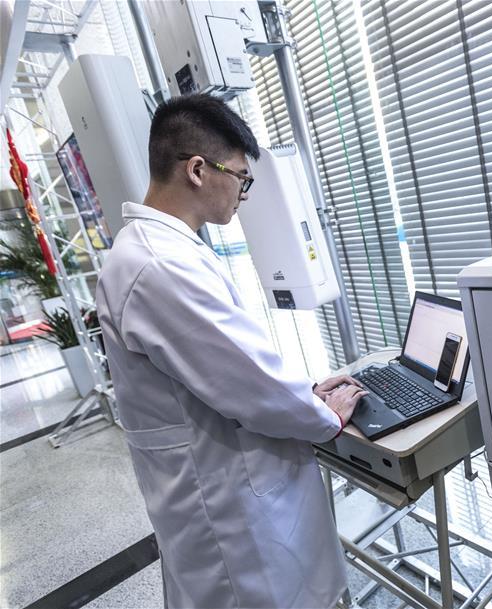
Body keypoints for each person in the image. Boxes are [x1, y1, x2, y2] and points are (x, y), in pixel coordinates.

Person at [96, 93, 367, 608]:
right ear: (198, 170)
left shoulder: (154, 250)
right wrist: (324, 414)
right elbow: (248, 383)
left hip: (207, 482)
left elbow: (223, 367)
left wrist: (304, 393)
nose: (244, 192)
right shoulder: (160, 266)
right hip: (226, 507)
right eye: (241, 177)